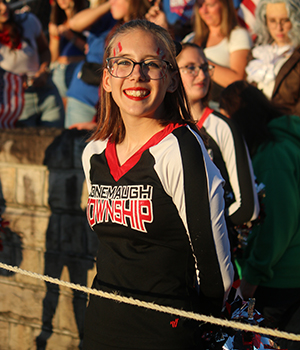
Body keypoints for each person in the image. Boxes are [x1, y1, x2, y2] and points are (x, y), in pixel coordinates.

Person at [81, 19, 234, 349]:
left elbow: (217, 272)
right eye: (123, 63)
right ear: (107, 79)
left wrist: (193, 325)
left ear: (170, 78)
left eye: (151, 64)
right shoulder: (93, 152)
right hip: (100, 327)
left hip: (165, 334)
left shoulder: (180, 148)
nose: (137, 74)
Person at [219, 80, 300, 350]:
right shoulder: (282, 142)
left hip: (283, 282)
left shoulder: (273, 154)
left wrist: (252, 278)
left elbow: (278, 224)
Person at [176, 43, 259, 278]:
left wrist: (206, 231)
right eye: (190, 68)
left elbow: (248, 207)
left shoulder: (222, 126)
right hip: (175, 263)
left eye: (205, 67)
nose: (201, 75)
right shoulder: (163, 129)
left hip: (217, 256)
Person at [65, 0, 152, 129]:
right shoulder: (108, 19)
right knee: (79, 146)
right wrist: (109, 4)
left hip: (121, 103)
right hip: (85, 98)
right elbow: (74, 23)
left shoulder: (149, 27)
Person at [0, 0, 65, 127]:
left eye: (4, 1)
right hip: (16, 102)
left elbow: (45, 50)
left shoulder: (28, 20)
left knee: (57, 141)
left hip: (46, 92)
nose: (3, 7)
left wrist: (43, 71)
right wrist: (15, 82)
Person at [182, 0, 252, 107]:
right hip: (190, 106)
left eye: (211, 5)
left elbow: (237, 80)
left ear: (224, 6)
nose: (204, 11)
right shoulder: (190, 38)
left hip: (221, 105)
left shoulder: (237, 35)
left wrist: (200, 61)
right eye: (200, 6)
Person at [246, 0, 300, 117]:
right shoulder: (257, 52)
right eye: (272, 21)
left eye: (285, 20)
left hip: (288, 130)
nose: (279, 28)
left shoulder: (297, 55)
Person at [49, 0, 88, 107]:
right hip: (60, 70)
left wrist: (70, 36)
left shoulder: (86, 18)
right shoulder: (56, 21)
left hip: (79, 69)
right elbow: (53, 57)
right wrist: (55, 37)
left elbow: (89, 49)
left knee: (77, 108)